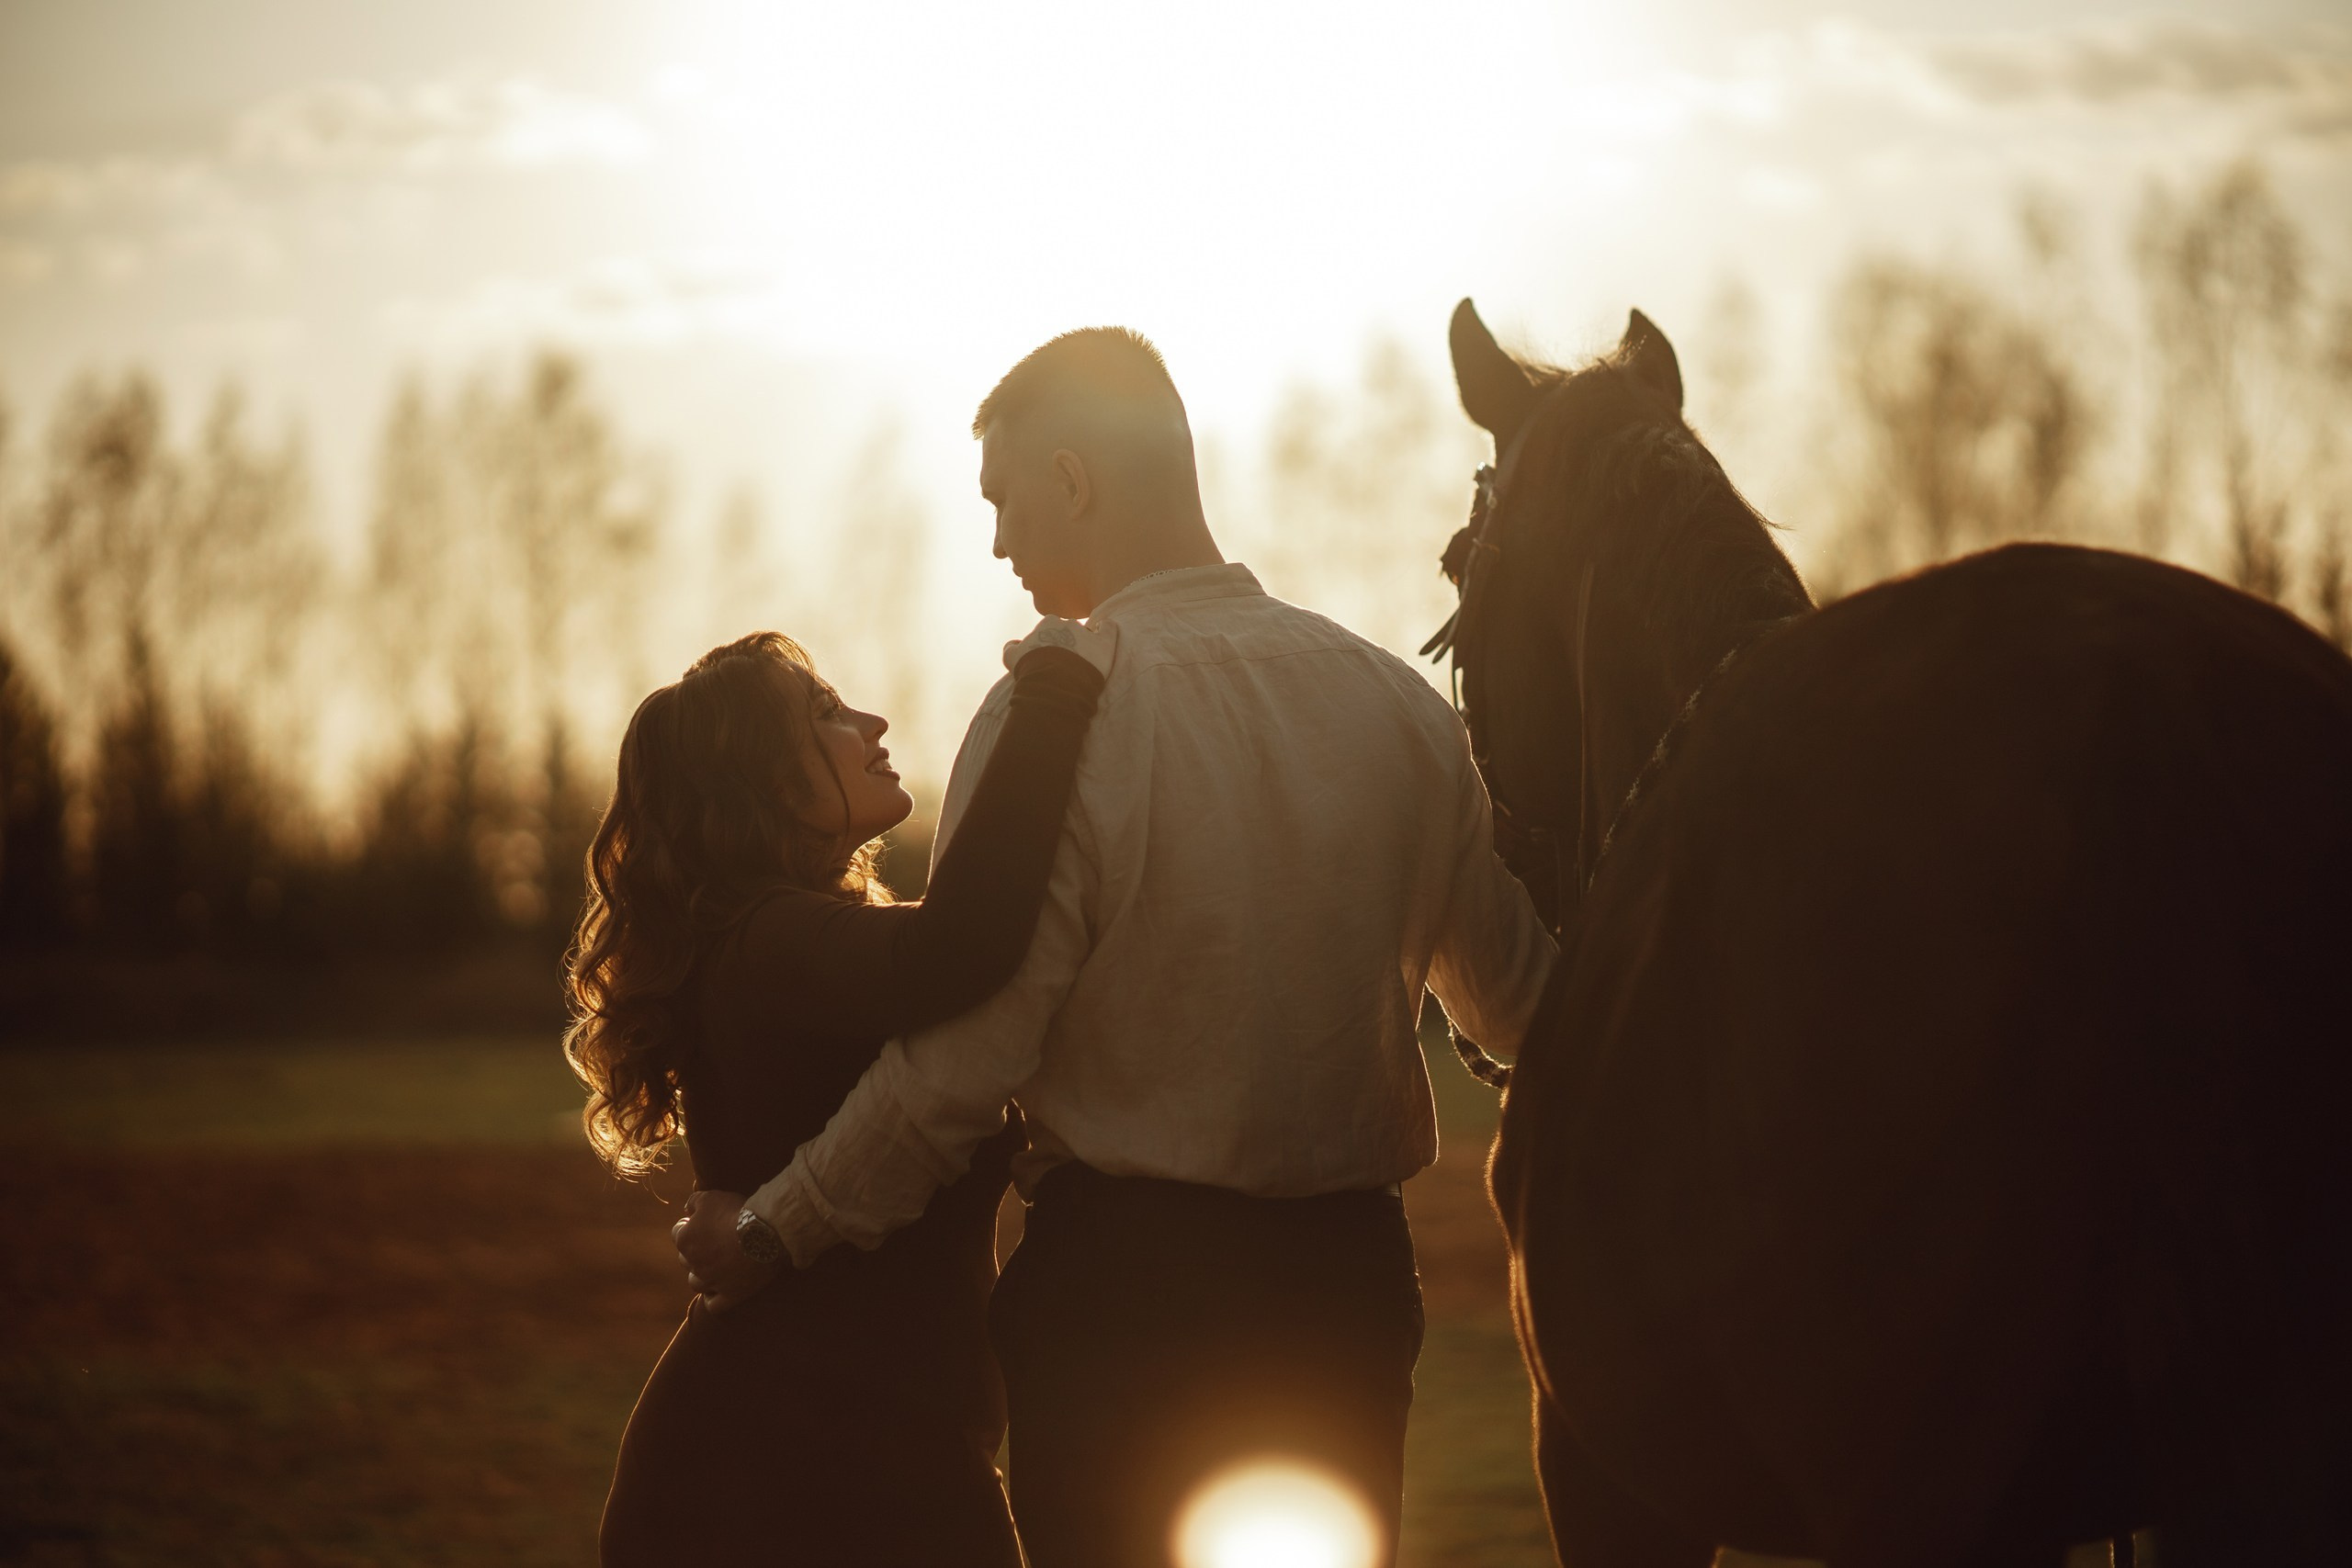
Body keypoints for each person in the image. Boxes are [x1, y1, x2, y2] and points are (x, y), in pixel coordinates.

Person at [677, 328, 1557, 1568]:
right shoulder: (1397, 706)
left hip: (1128, 1308)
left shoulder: (1064, 712)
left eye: (1004, 500)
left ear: (1074, 478)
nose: (998, 544)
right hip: (1350, 1298)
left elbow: (963, 1062)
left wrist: (774, 1227)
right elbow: (1528, 1008)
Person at [569, 621, 1113, 1567]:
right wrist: (1054, 694)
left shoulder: (801, 939)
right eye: (826, 714)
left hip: (872, 1449)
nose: (873, 721)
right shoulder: (762, 944)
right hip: (773, 1473)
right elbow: (962, 945)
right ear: (765, 778)